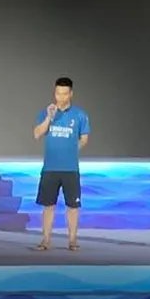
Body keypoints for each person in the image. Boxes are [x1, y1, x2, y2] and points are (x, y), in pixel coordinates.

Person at [32, 76, 90, 251]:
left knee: (73, 206)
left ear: (70, 94)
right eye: (58, 93)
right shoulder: (46, 112)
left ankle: (72, 240)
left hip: (70, 169)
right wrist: (49, 118)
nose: (61, 97)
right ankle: (45, 241)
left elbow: (84, 138)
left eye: (64, 93)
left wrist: (71, 150)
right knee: (48, 206)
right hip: (50, 168)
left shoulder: (80, 114)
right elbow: (37, 134)